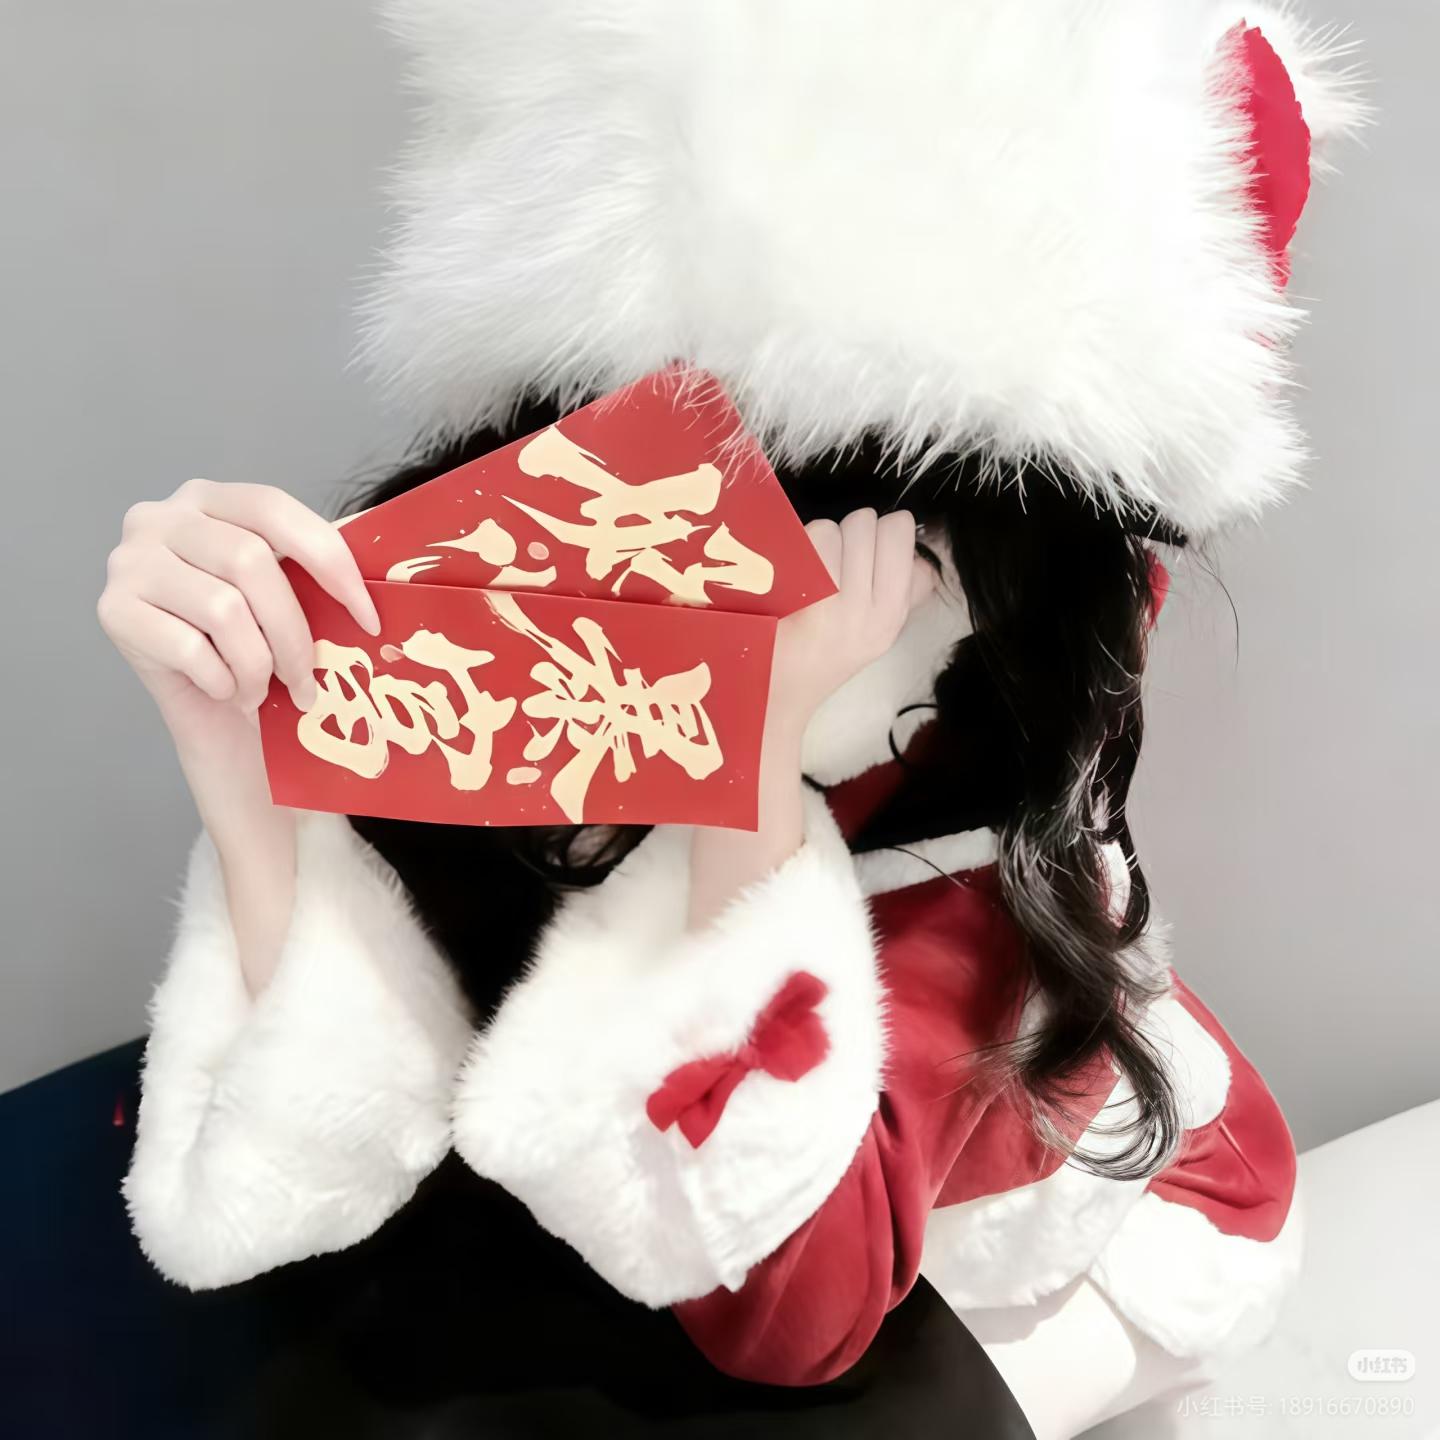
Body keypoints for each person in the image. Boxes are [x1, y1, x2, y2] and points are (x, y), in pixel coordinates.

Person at [97, 4, 1364, 1436]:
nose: (717, 542)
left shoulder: (961, 860)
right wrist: (242, 760)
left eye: (844, 497)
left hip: (1101, 1229)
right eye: (642, 447)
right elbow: (332, 1114)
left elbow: (792, 1319)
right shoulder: (540, 633)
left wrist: (748, 773)